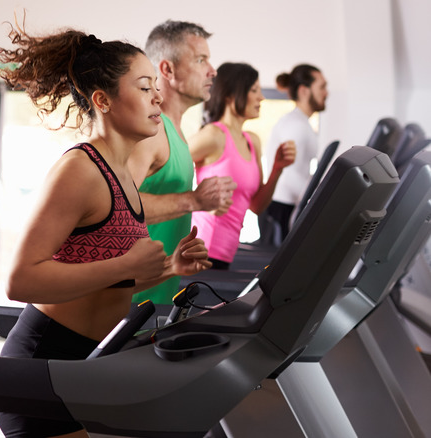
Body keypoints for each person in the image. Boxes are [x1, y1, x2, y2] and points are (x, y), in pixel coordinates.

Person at [0, 21, 211, 438]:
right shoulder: (81, 169)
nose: (157, 96)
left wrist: (170, 269)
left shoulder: (123, 174)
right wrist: (127, 263)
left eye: (154, 87)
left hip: (89, 361)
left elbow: (110, 275)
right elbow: (20, 281)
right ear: (103, 100)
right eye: (145, 87)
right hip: (45, 361)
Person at [129, 20, 237, 303]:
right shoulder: (151, 132)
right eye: (201, 60)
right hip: (126, 310)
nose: (212, 70)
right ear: (167, 69)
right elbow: (115, 208)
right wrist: (193, 200)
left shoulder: (176, 133)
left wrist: (204, 202)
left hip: (157, 302)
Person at [189, 62, 296, 270]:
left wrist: (277, 169)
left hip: (226, 252)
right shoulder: (213, 135)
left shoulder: (252, 141)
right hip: (201, 250)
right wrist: (195, 200)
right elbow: (165, 167)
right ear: (230, 95)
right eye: (254, 90)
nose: (261, 97)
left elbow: (256, 206)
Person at [259, 64, 328, 244]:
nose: (326, 93)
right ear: (304, 91)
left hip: (288, 206)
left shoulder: (302, 123)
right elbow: (290, 174)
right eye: (322, 87)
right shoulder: (296, 125)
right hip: (282, 208)